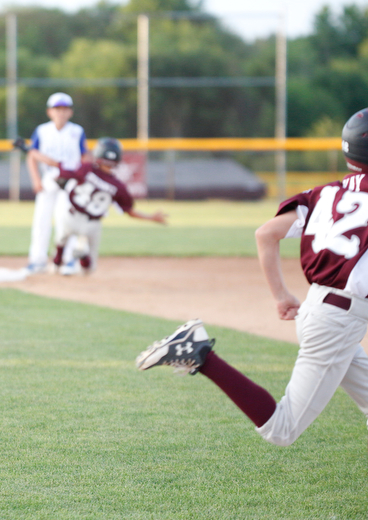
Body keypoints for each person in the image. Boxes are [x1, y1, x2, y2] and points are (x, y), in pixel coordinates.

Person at [136, 107, 368, 448]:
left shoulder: (323, 194)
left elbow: (265, 234)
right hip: (337, 321)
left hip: (318, 310)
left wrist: (281, 295)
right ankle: (201, 353)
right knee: (281, 429)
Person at [26, 137, 167, 275]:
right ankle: (83, 256)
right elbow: (129, 211)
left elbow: (57, 165)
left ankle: (57, 262)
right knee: (89, 269)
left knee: (61, 239)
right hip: (92, 225)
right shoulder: (119, 186)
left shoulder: (86, 169)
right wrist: (151, 218)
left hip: (71, 216)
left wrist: (32, 152)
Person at [24, 92, 93, 274]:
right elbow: (32, 155)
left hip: (70, 182)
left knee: (66, 221)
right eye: (57, 109)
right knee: (41, 220)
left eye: (64, 109)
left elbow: (85, 156)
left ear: (70, 112)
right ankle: (37, 260)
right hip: (50, 179)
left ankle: (68, 260)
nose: (61, 113)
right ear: (50, 112)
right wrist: (36, 180)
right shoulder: (42, 130)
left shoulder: (76, 131)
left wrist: (83, 176)